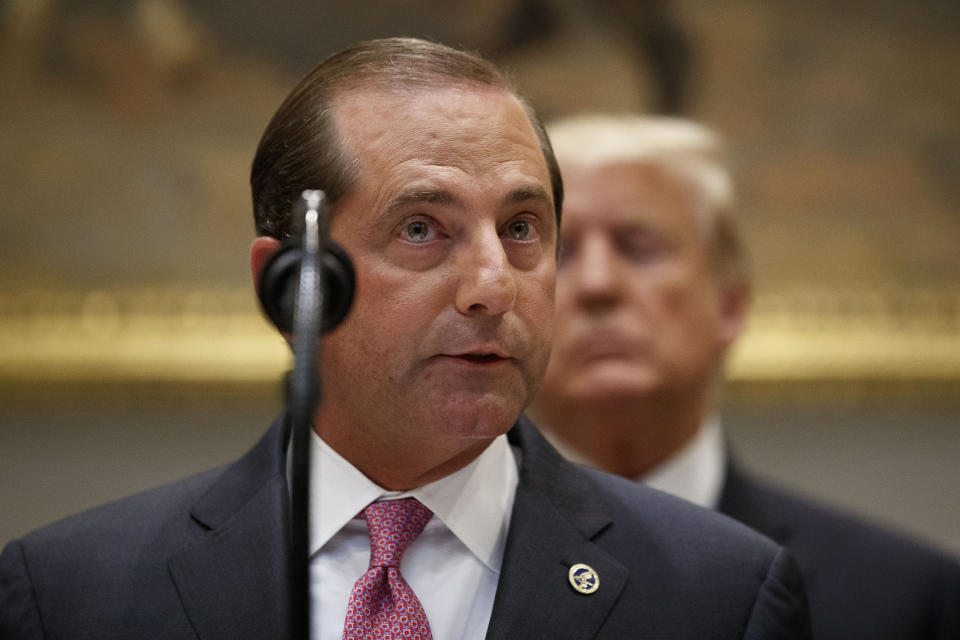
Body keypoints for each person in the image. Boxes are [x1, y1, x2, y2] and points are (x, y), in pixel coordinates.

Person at [0, 40, 811, 640]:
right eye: (422, 228)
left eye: (523, 227)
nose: (494, 285)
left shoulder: (722, 595)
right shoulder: (73, 596)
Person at [532, 113, 960, 640]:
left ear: (731, 304)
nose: (598, 283)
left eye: (639, 246)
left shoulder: (903, 598)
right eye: (560, 253)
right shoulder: (441, 564)